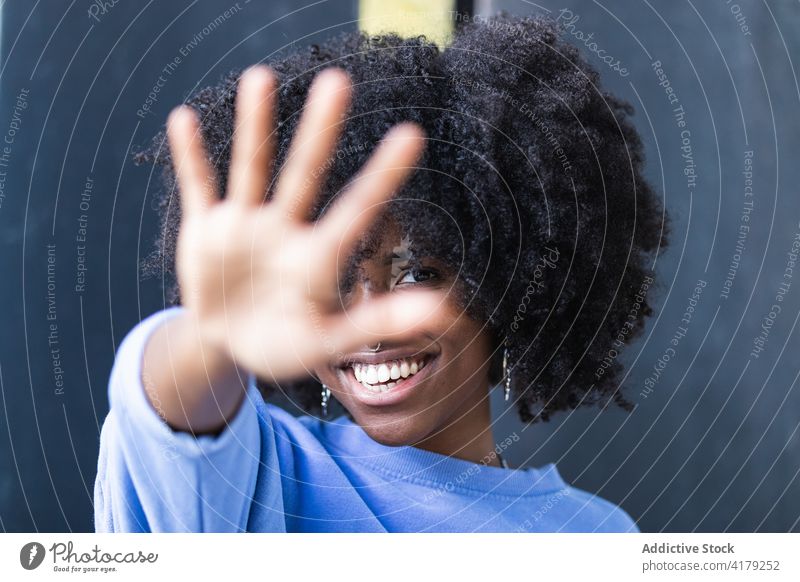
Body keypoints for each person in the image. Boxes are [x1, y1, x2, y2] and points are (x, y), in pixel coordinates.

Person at [94, 14, 669, 532]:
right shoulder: (254, 478)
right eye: (333, 282)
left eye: (418, 272)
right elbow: (168, 411)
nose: (370, 325)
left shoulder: (596, 535)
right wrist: (212, 338)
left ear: (507, 287)